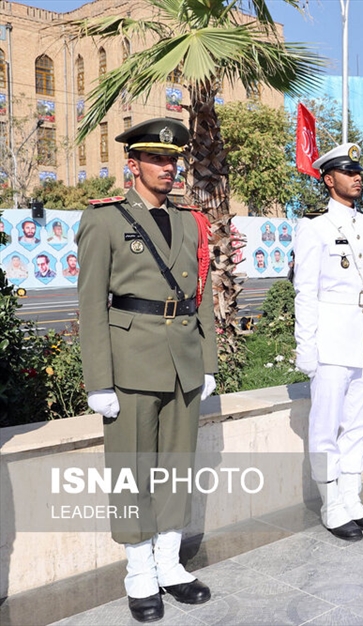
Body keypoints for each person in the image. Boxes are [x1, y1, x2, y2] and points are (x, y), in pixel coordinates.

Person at [76, 118, 217, 623]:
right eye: (157, 159)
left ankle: (169, 563)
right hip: (131, 362)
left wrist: (209, 360)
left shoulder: (188, 219)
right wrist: (99, 380)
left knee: (177, 465)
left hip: (183, 362)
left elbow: (199, 296)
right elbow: (91, 304)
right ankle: (138, 570)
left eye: (173, 159)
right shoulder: (105, 219)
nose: (168, 167)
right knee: (132, 470)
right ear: (132, 165)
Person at [293, 142, 363, 542]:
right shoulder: (313, 226)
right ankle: (331, 504)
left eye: (359, 171)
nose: (357, 177)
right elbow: (306, 291)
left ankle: (352, 497)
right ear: (328, 180)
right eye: (348, 172)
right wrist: (306, 347)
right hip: (331, 341)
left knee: (359, 426)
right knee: (326, 427)